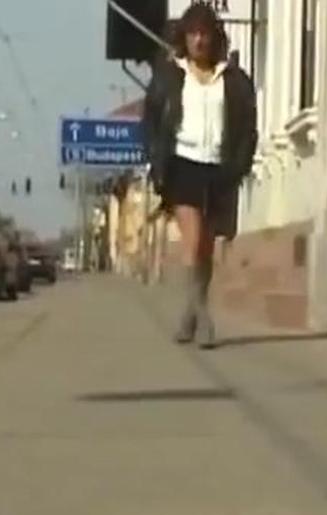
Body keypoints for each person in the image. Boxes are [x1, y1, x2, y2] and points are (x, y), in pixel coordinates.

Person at [142, 2, 258, 349]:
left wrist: (239, 165)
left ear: (214, 37)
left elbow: (247, 127)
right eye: (193, 34)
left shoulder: (234, 79)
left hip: (219, 168)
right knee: (192, 242)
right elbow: (150, 122)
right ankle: (204, 317)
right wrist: (155, 161)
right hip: (182, 165)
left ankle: (188, 316)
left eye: (205, 34)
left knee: (206, 247)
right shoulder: (169, 75)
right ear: (184, 38)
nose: (199, 40)